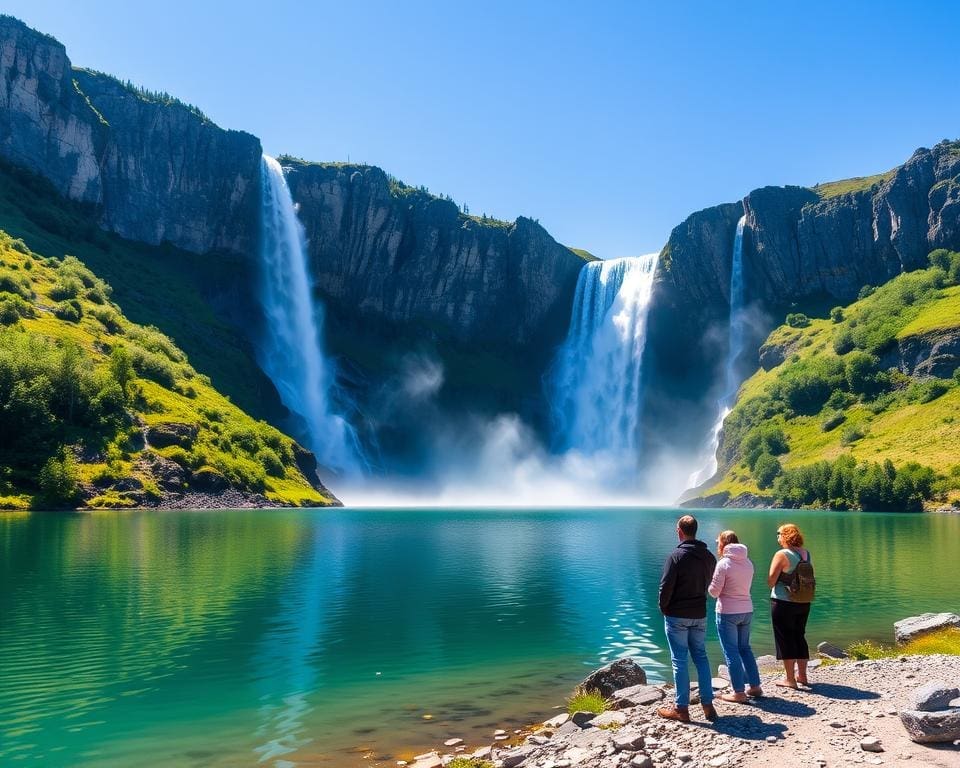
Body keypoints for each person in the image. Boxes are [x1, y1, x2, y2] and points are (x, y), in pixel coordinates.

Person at [657, 514, 718, 722]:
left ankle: (682, 709)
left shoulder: (675, 556)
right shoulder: (709, 556)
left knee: (679, 660)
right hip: (699, 613)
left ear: (679, 532)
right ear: (696, 531)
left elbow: (666, 587)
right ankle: (708, 704)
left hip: (677, 615)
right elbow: (709, 583)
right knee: (701, 657)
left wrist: (664, 608)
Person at [708, 530, 763, 702]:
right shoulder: (748, 562)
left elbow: (714, 592)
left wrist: (708, 585)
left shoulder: (723, 564)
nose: (717, 545)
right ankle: (755, 686)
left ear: (723, 543)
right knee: (745, 648)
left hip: (728, 612)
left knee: (731, 651)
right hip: (746, 610)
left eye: (718, 542)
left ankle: (738, 692)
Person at [767, 522, 812, 688]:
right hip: (803, 601)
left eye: (779, 533)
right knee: (799, 636)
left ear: (785, 535)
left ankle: (790, 679)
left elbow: (771, 581)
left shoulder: (782, 554)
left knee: (784, 639)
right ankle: (802, 676)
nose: (777, 537)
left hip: (783, 602)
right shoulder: (806, 554)